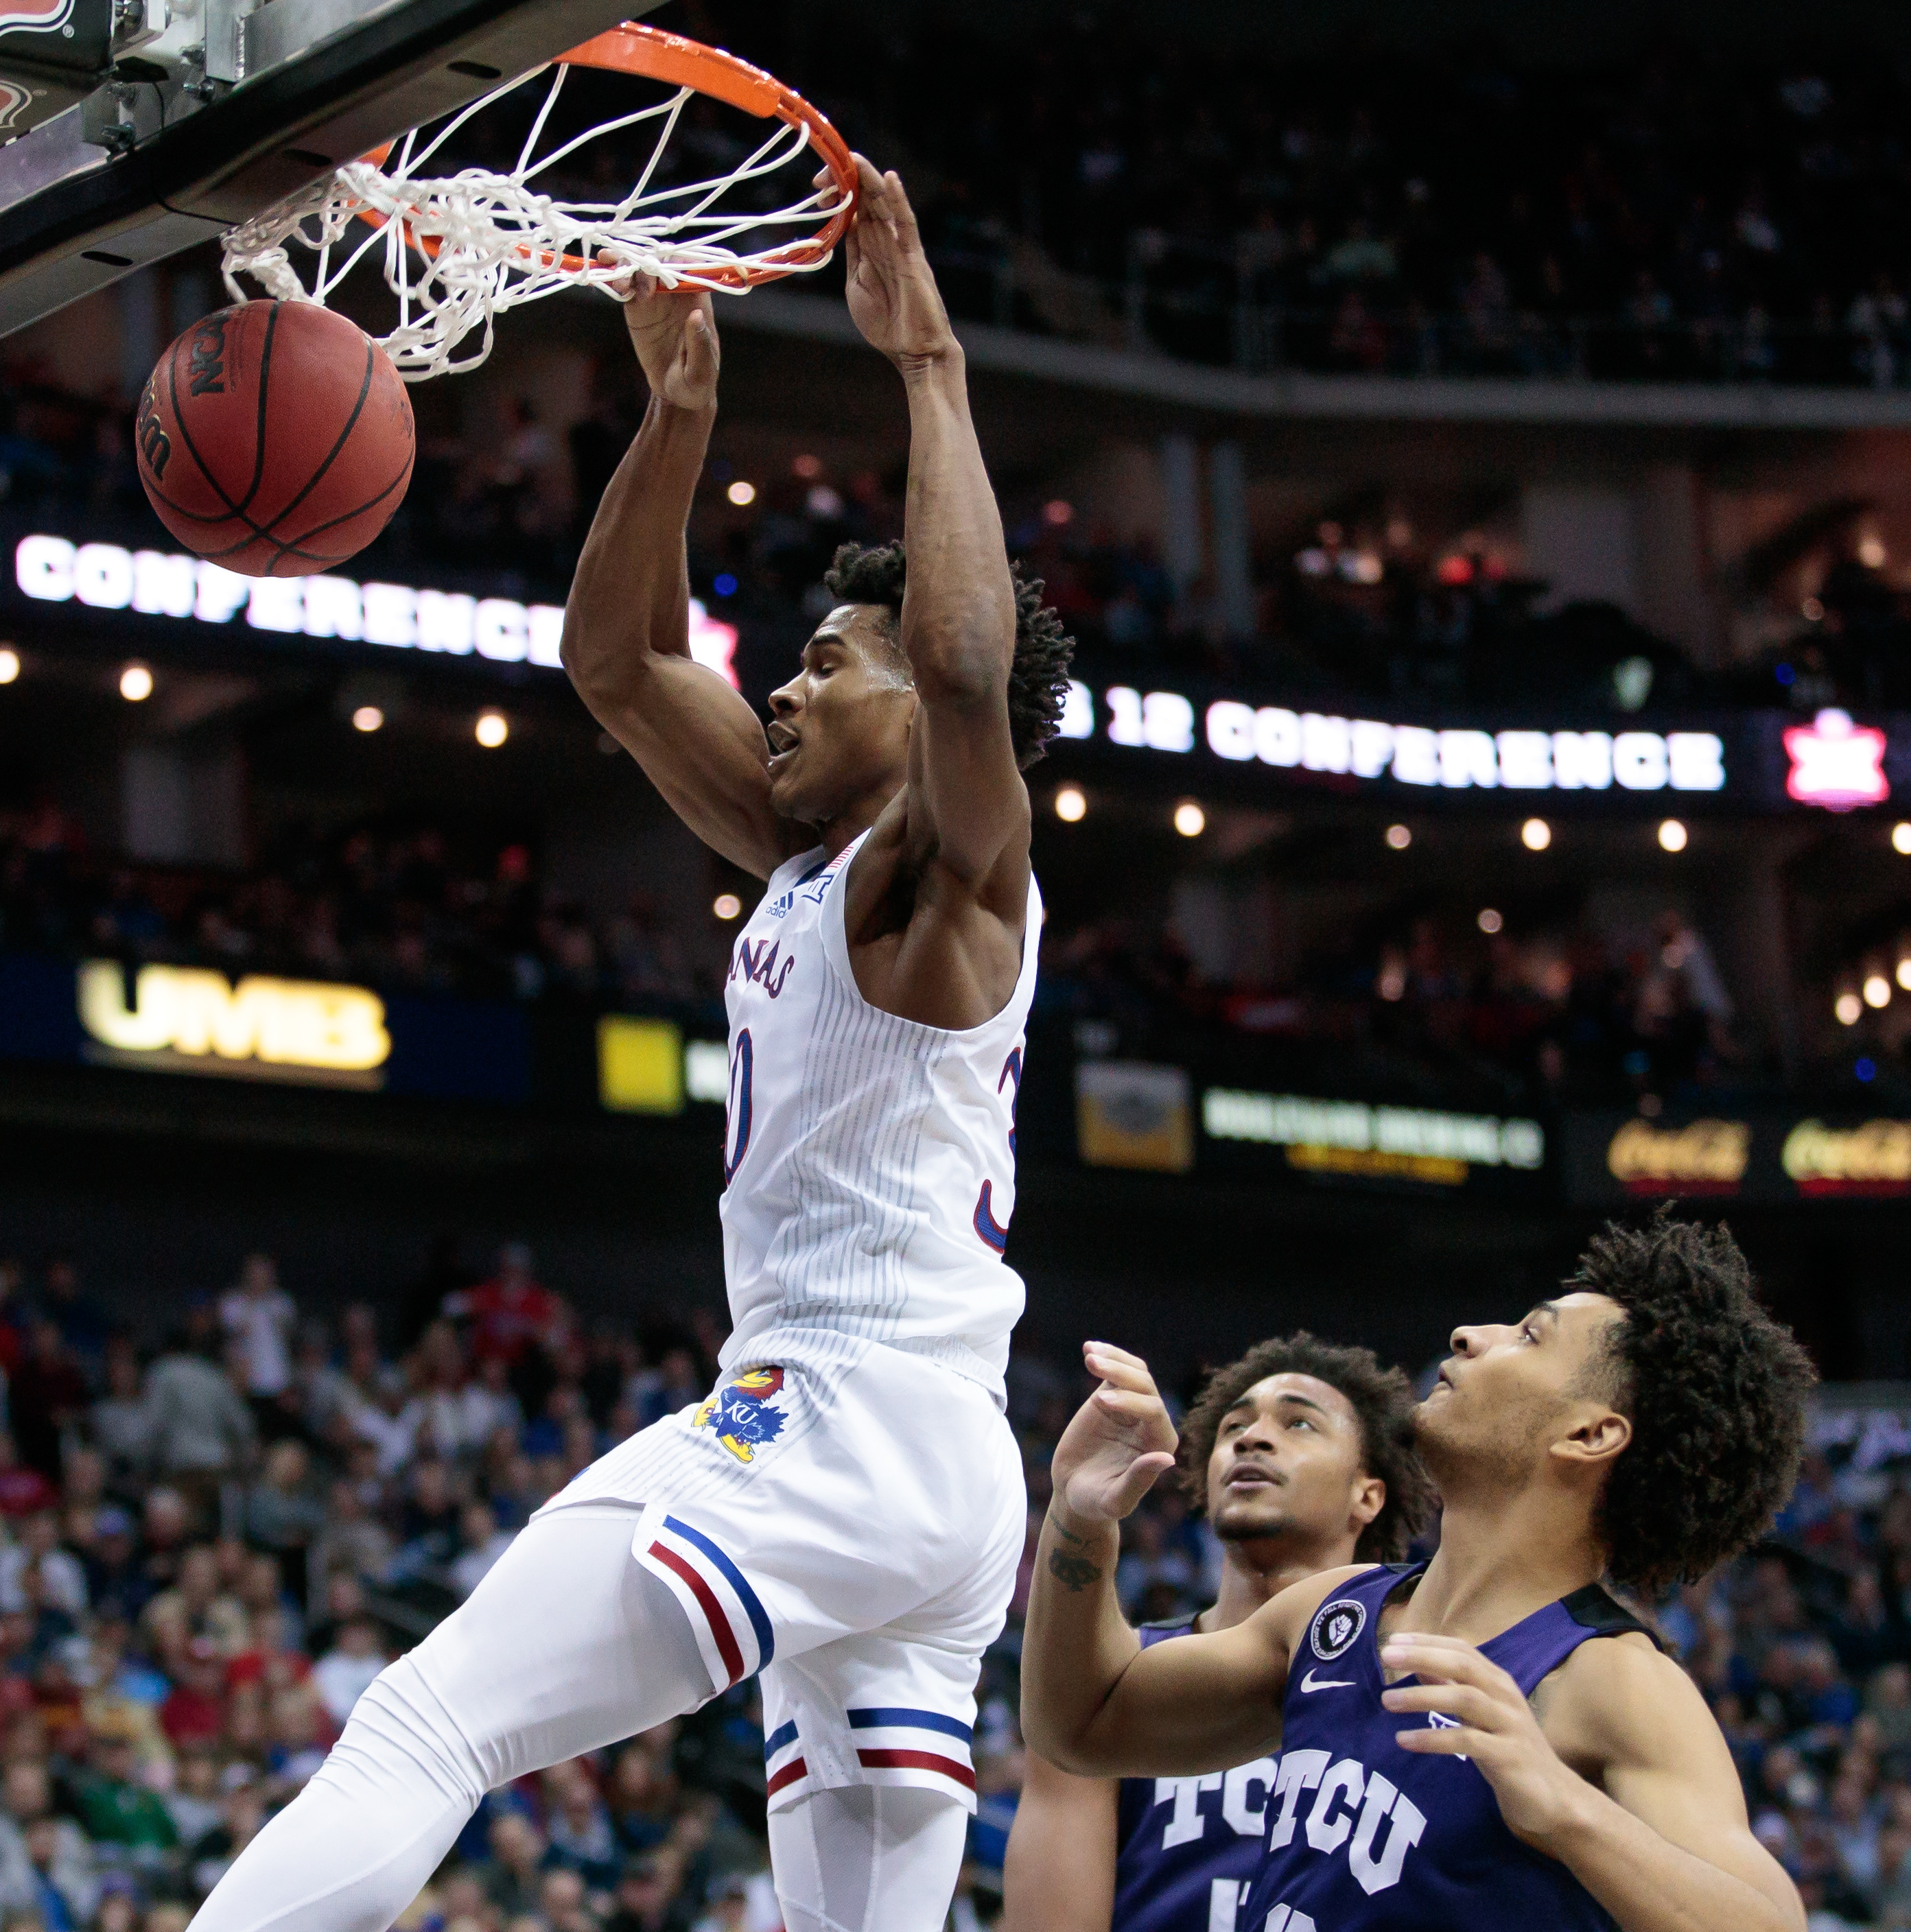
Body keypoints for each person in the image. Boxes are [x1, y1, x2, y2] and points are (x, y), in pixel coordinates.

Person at [185, 164, 1075, 1932]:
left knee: (426, 1722)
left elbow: (971, 683)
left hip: (838, 1416)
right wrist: (674, 414)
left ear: (907, 705)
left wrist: (931, 369)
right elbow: (612, 656)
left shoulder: (947, 882)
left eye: (827, 662)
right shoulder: (819, 863)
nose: (786, 686)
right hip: (940, 1468)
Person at [1022, 1214, 1817, 1932]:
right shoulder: (1329, 1613)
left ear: (1588, 1432)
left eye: (1529, 1336)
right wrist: (1082, 1519)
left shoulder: (1609, 1679)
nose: (1470, 1333)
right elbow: (1081, 1723)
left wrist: (1565, 1807)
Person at [1003, 1335, 1432, 1932]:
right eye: (1234, 1426)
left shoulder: (1420, 1689)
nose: (1252, 1438)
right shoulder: (1104, 1688)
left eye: (1300, 1424)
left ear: (1368, 1494)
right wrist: (1081, 1515)